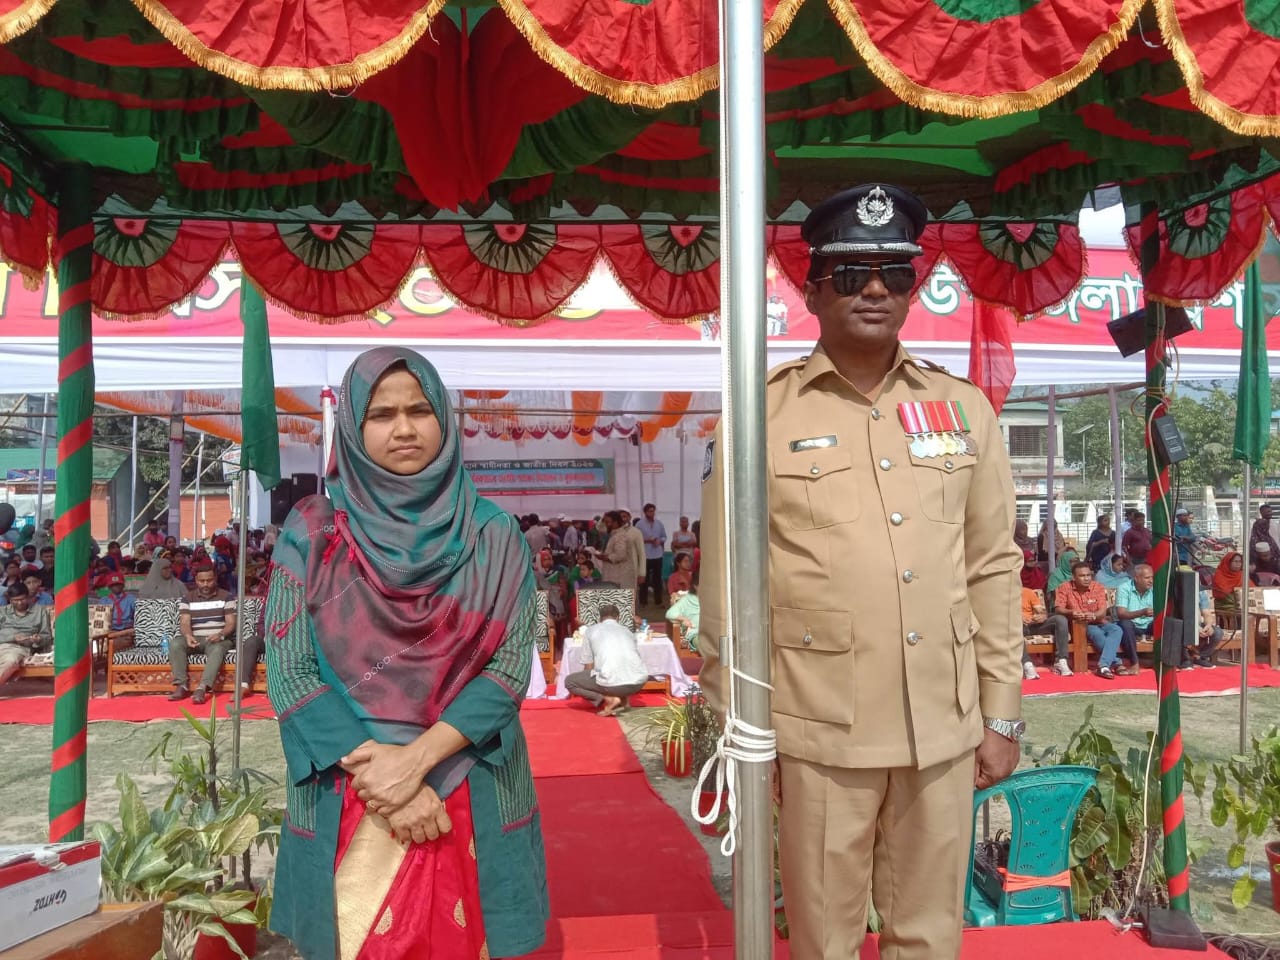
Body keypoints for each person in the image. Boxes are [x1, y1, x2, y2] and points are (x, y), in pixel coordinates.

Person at [699, 183, 1022, 960]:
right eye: (850, 274)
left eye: (895, 273)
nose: (875, 289)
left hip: (941, 726)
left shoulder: (963, 409)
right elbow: (728, 591)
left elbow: (992, 566)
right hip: (820, 732)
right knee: (823, 940)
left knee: (929, 937)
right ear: (812, 292)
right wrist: (740, 727)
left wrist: (1002, 712)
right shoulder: (759, 416)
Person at [262, 347, 547, 960]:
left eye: (420, 410)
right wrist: (388, 780)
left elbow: (507, 669)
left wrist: (413, 762)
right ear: (353, 427)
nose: (404, 428)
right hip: (350, 791)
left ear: (444, 419)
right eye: (382, 414)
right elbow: (290, 673)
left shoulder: (494, 535)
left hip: (467, 787)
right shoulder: (312, 532)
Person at [564, 602, 649, 716]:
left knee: (569, 681)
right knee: (620, 666)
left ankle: (608, 699)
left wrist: (590, 687)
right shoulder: (627, 631)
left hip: (613, 683)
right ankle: (624, 700)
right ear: (618, 618)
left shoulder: (591, 631)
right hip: (638, 682)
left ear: (600, 618)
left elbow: (588, 665)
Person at [170, 561, 236, 704]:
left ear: (215, 579)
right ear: (196, 580)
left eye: (209, 580)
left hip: (217, 639)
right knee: (175, 644)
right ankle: (181, 685)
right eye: (202, 581)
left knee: (218, 649)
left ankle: (202, 688)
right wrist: (188, 635)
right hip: (196, 638)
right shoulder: (188, 598)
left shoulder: (226, 596)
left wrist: (220, 634)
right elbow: (185, 622)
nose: (206, 584)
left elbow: (231, 623)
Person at [1055, 560, 1125, 679]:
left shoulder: (1097, 587)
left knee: (1116, 629)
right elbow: (1058, 609)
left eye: (1088, 575)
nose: (1086, 578)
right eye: (1082, 576)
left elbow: (1102, 611)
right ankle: (1115, 662)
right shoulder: (1065, 587)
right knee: (1096, 633)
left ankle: (1104, 665)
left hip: (1098, 620)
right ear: (1074, 577)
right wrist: (1071, 612)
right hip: (1079, 624)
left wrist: (1093, 615)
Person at [0, 583, 52, 686]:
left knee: (11, 661)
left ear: (28, 597)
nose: (20, 603)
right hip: (2, 645)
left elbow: (47, 636)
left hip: (20, 648)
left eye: (22, 599)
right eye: (15, 600)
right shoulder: (2, 612)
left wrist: (38, 640)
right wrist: (12, 637)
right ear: (10, 600)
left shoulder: (40, 611)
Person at [1114, 563, 1156, 675]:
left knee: (1167, 623)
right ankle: (1134, 663)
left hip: (1149, 624)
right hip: (1132, 625)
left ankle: (1165, 661)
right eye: (1147, 578)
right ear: (1137, 578)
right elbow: (1121, 614)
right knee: (1125, 624)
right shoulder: (1124, 588)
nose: (1151, 581)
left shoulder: (1155, 589)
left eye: (1152, 577)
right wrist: (1142, 612)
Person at [1021, 586, 1071, 678]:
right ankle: (1027, 664)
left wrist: (1042, 616)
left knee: (1060, 619)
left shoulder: (1028, 592)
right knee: (1015, 625)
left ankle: (1061, 661)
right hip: (1015, 627)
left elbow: (1040, 611)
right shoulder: (1001, 595)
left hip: (1033, 625)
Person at [636, 503, 667, 606]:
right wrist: (647, 540)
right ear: (645, 512)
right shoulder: (639, 524)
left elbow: (664, 536)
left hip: (657, 554)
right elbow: (636, 539)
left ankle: (658, 601)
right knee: (644, 579)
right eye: (650, 511)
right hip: (645, 555)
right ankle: (643, 601)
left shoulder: (659, 523)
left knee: (657, 579)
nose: (652, 513)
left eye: (653, 511)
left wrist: (660, 541)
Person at [598, 510, 639, 590]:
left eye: (608, 522)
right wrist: (603, 518)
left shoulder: (620, 536)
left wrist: (604, 557)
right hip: (615, 575)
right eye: (605, 522)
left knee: (618, 597)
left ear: (615, 523)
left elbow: (620, 555)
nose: (606, 524)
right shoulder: (613, 534)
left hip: (620, 576)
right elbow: (600, 528)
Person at [98, 571, 137, 646]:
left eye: (119, 584)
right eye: (113, 585)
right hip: (110, 631)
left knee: (119, 643)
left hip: (126, 631)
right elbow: (100, 619)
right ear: (109, 587)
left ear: (123, 585)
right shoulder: (104, 601)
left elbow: (138, 616)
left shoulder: (131, 599)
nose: (116, 587)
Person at [667, 579, 701, 652]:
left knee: (723, 642)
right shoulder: (687, 599)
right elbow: (670, 614)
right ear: (696, 586)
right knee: (705, 644)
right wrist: (683, 619)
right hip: (696, 634)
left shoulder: (712, 599)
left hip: (713, 633)